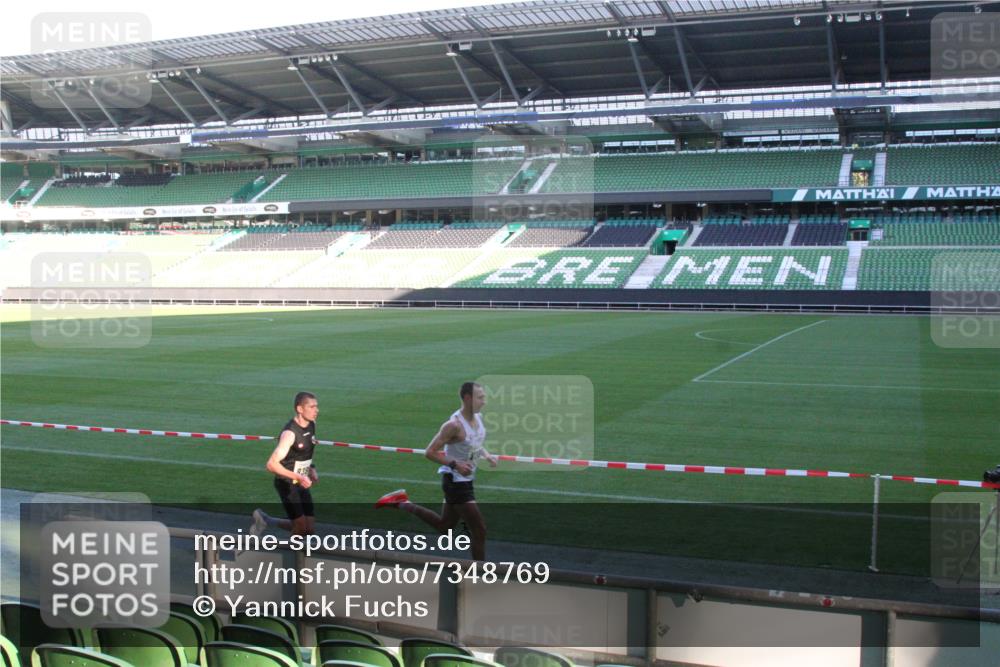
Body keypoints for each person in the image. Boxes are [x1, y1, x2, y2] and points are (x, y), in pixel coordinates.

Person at [375, 381, 497, 560]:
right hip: (455, 483)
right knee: (479, 530)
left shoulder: (478, 417)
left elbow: (475, 442)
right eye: (480, 398)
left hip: (466, 480)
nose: (484, 401)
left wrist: (486, 455)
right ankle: (480, 575)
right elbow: (430, 452)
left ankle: (402, 503)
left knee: (444, 527)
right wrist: (455, 464)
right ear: (467, 398)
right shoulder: (453, 425)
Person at [250, 391, 320, 537]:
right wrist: (299, 477)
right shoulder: (290, 434)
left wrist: (311, 468)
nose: (316, 410)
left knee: (309, 529)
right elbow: (271, 464)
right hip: (287, 483)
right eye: (312, 407)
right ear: (300, 409)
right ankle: (288, 558)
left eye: (316, 406)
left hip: (300, 480)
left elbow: (305, 451)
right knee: (300, 529)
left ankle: (265, 520)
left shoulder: (312, 424)